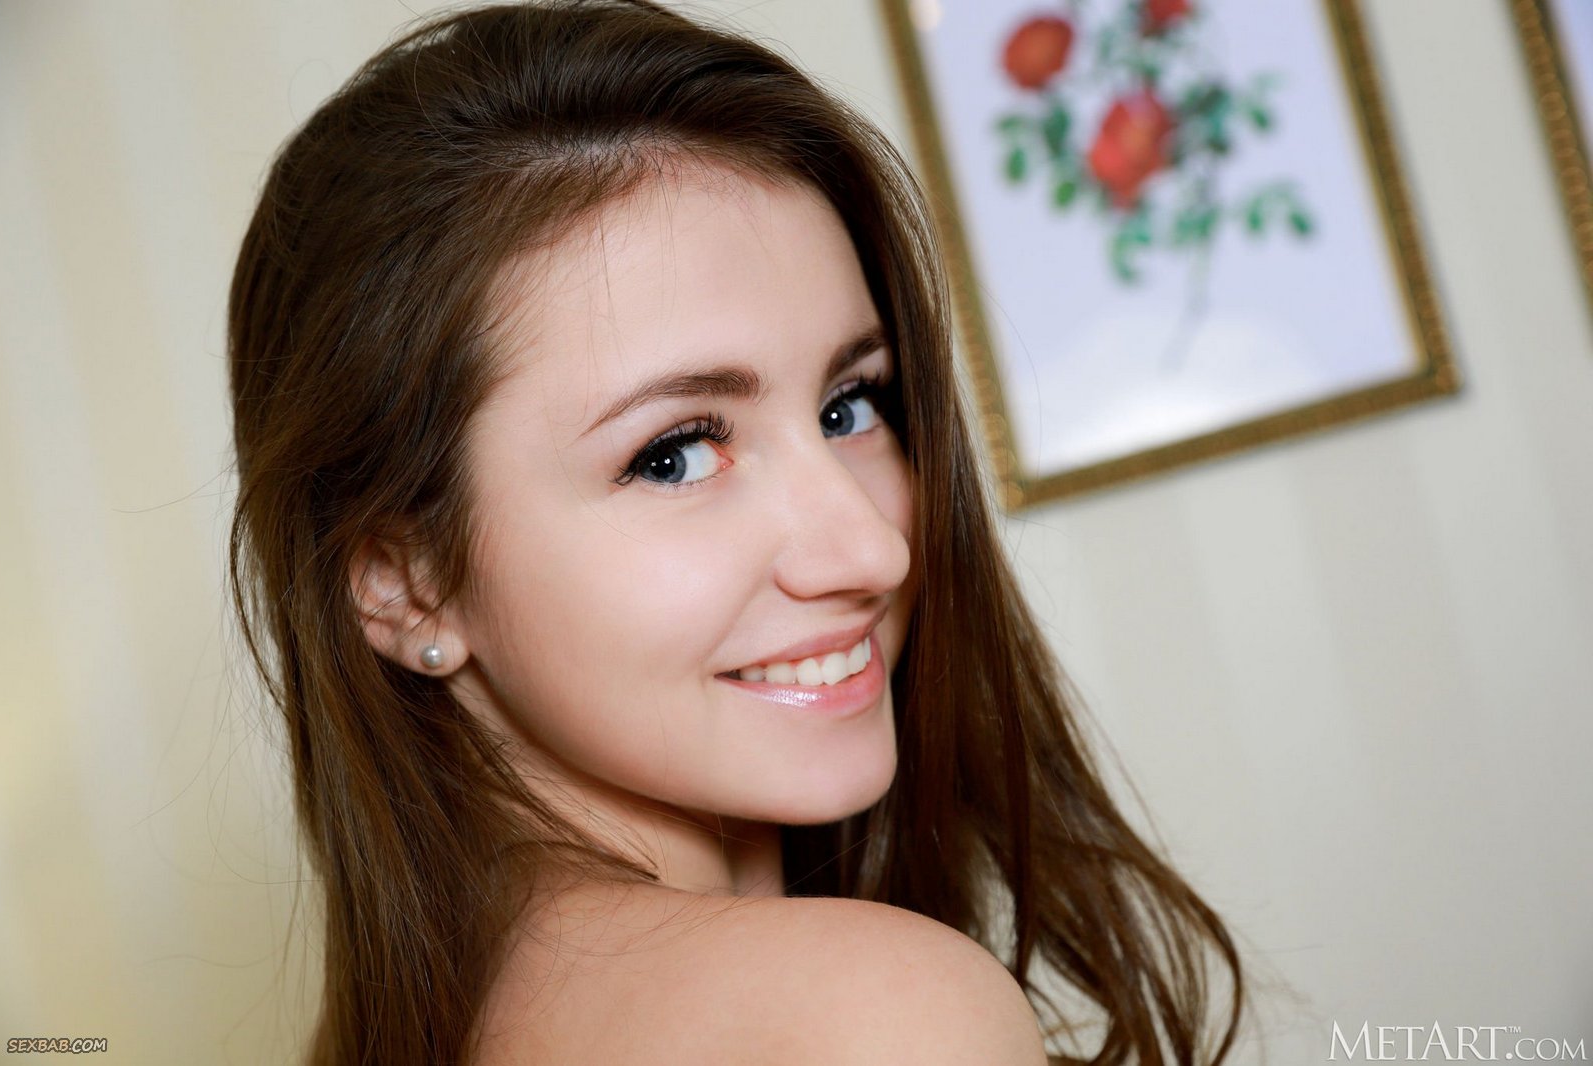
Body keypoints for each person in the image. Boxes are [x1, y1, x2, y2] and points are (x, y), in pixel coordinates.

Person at [226, 1, 1246, 1062]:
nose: (874, 551)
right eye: (674, 454)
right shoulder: (872, 1016)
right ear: (404, 581)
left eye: (850, 406)